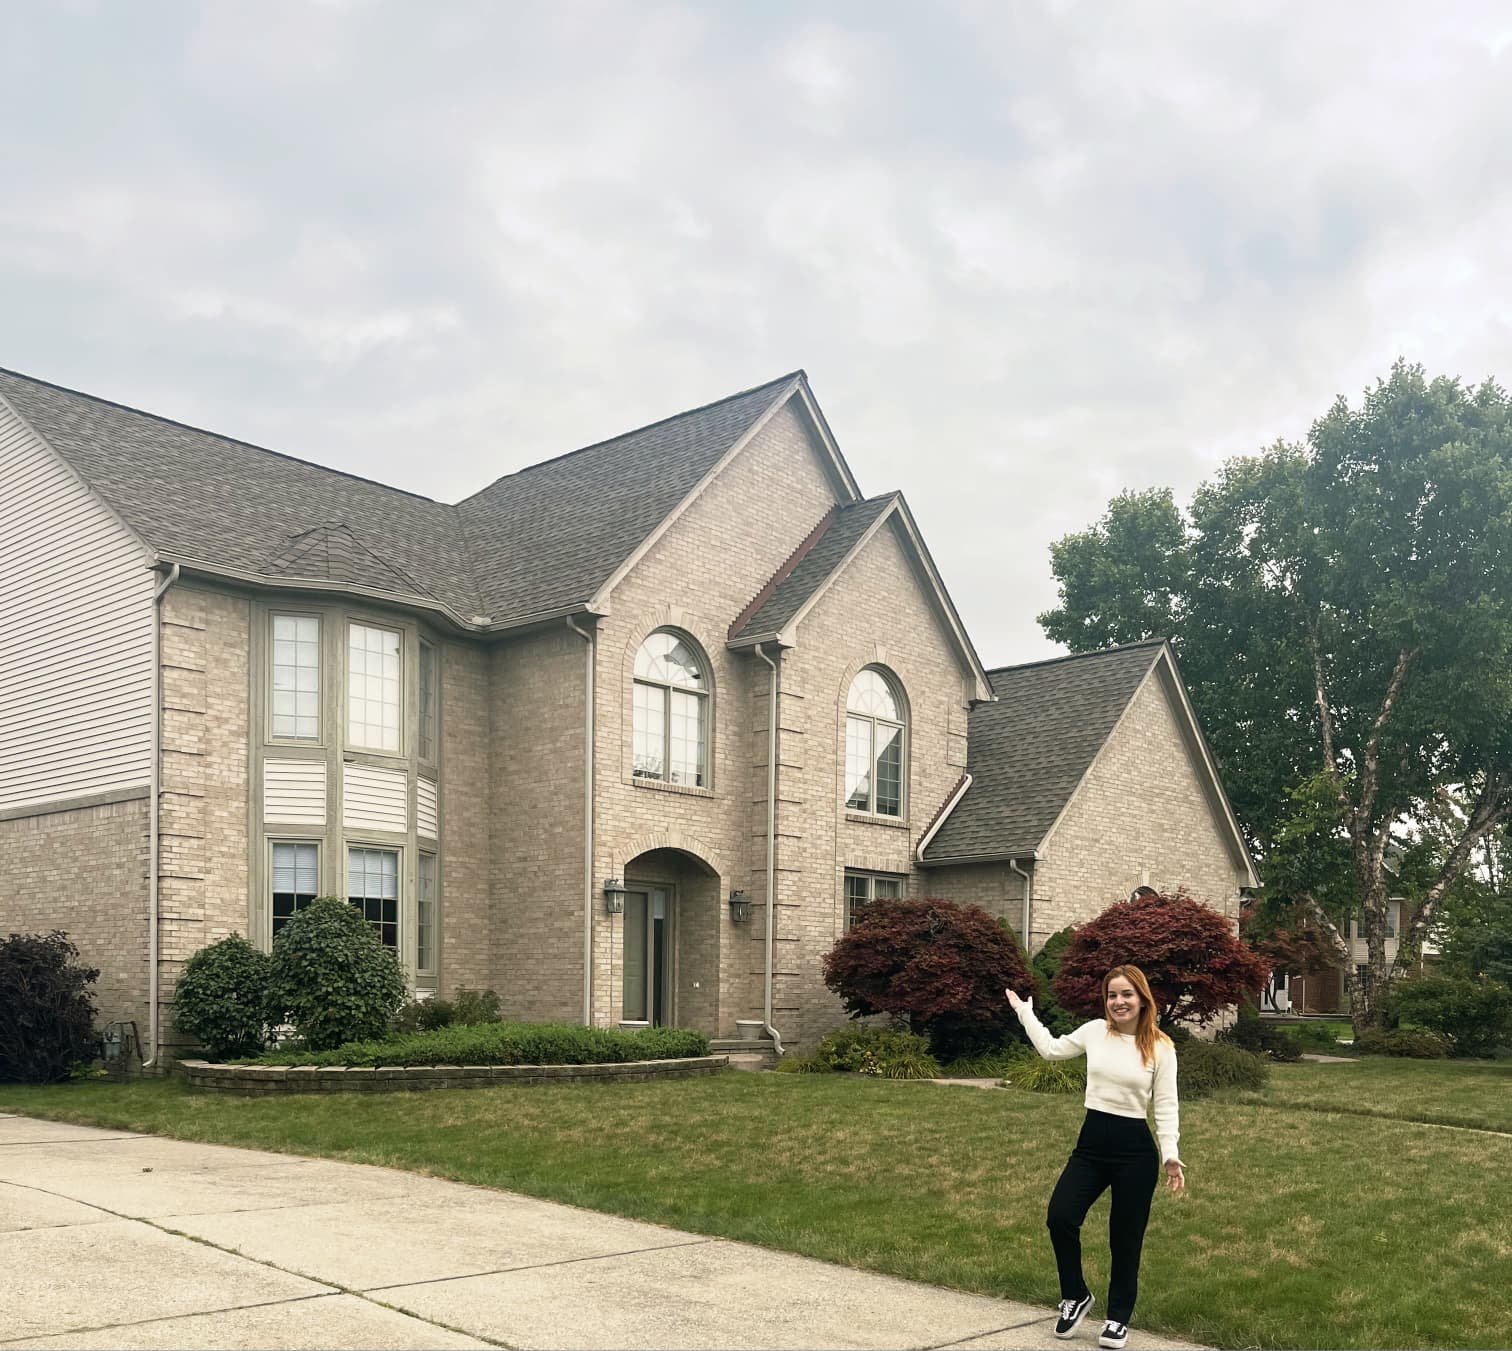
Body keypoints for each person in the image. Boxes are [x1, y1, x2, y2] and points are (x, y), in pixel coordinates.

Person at [1004, 966, 1184, 1350]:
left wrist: (1170, 1155)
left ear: (1142, 999)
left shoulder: (1160, 1047)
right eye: (1112, 995)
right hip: (1091, 1145)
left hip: (1135, 1152)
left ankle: (1118, 1318)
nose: (1118, 1002)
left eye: (1126, 995)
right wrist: (1025, 1012)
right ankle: (1076, 1295)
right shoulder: (1094, 1032)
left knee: (1125, 1238)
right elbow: (1051, 1050)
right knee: (1061, 1216)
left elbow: (1167, 1106)